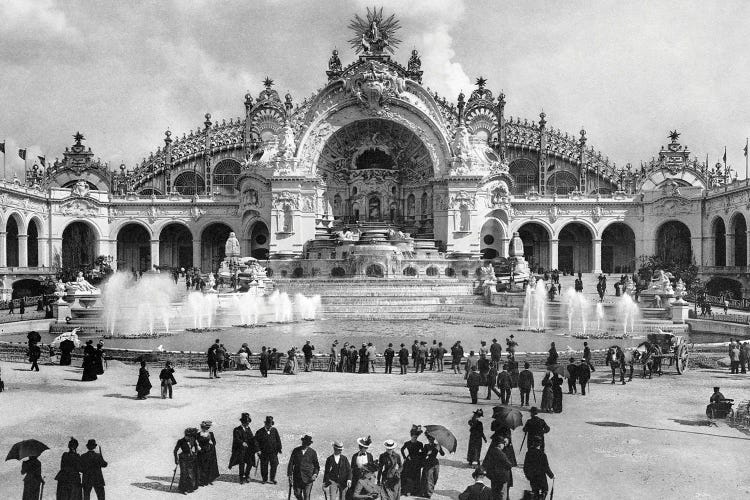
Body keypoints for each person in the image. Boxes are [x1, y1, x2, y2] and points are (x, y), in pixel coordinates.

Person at [287, 434, 320, 500]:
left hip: (308, 478)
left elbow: (317, 466)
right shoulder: (296, 450)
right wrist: (290, 475)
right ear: (302, 442)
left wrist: (315, 474)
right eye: (304, 442)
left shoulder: (313, 452)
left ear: (309, 444)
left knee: (306, 496)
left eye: (307, 443)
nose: (305, 444)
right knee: (297, 493)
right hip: (297, 477)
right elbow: (291, 463)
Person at [229, 413, 257, 484]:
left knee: (250, 463)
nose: (248, 424)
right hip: (240, 450)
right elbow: (236, 439)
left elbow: (251, 437)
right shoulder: (237, 429)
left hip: (248, 450)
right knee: (241, 464)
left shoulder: (248, 429)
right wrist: (242, 443)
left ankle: (247, 475)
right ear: (243, 422)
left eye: (248, 422)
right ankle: (241, 477)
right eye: (246, 423)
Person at [256, 416, 282, 484]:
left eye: (271, 425)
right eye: (268, 425)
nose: (270, 427)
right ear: (265, 424)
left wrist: (279, 448)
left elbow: (278, 440)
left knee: (274, 465)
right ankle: (264, 479)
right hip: (264, 452)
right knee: (264, 466)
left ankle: (272, 479)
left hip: (273, 452)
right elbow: (256, 442)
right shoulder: (260, 431)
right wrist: (258, 450)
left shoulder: (274, 430)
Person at [401, 425, 424, 496]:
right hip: (409, 461)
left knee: (416, 476)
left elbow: (423, 452)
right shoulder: (407, 443)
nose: (415, 438)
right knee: (407, 475)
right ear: (411, 436)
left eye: (416, 437)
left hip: (417, 461)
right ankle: (406, 490)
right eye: (414, 437)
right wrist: (405, 457)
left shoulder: (420, 444)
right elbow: (402, 449)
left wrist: (420, 456)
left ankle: (415, 491)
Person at [174, 428, 198, 494]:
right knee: (184, 473)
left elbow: (196, 447)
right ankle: (183, 489)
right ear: (185, 435)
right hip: (183, 458)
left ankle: (190, 488)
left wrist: (195, 453)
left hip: (191, 458)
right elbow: (175, 450)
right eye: (188, 437)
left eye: (190, 437)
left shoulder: (192, 440)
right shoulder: (180, 441)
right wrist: (176, 459)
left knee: (191, 473)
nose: (189, 438)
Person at [421, 433, 445, 498]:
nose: (431, 440)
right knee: (429, 478)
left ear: (434, 439)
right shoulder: (426, 446)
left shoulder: (437, 445)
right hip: (428, 463)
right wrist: (427, 454)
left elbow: (443, 454)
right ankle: (429, 493)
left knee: (435, 477)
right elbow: (422, 455)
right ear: (428, 439)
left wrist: (440, 448)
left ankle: (430, 489)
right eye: (429, 439)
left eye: (432, 439)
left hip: (435, 463)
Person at [196, 421, 219, 487]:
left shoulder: (211, 434)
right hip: (201, 452)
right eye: (204, 427)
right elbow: (195, 442)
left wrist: (212, 443)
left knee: (209, 466)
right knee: (202, 466)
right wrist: (197, 446)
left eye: (206, 428)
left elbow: (214, 442)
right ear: (202, 427)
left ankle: (209, 480)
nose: (205, 429)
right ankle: (202, 481)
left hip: (209, 451)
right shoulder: (198, 434)